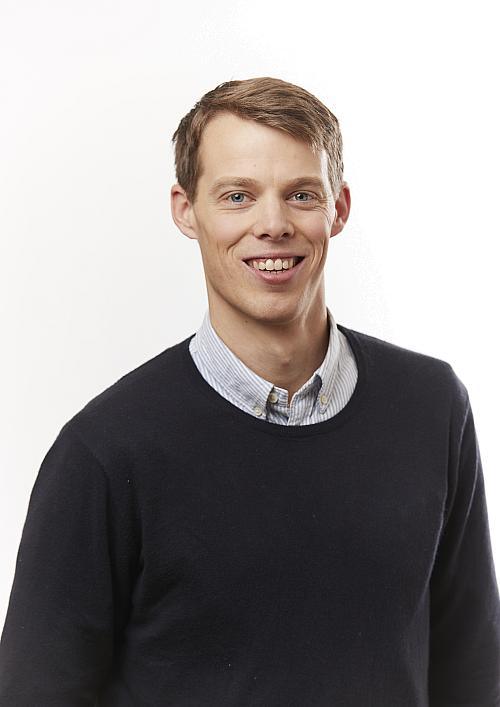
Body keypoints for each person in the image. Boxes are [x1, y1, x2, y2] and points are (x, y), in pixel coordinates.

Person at [0, 76, 498, 706]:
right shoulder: (104, 452)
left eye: (301, 195)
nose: (273, 225)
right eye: (237, 196)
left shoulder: (432, 407)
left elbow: (474, 673)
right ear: (186, 209)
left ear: (339, 207)